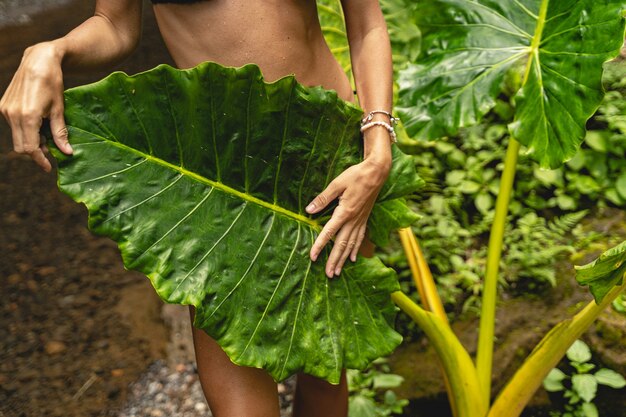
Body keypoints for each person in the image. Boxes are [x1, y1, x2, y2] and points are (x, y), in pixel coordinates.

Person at [0, 1, 395, 416]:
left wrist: (377, 151)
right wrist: (50, 50)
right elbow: (113, 27)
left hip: (331, 164)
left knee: (325, 380)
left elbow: (366, 25)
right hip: (220, 186)